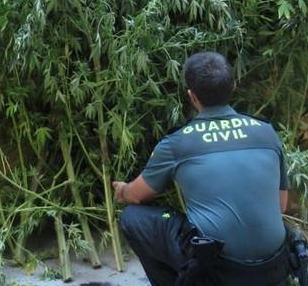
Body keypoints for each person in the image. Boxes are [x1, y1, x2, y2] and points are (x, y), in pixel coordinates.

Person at [112, 51, 291, 286]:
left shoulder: (177, 142)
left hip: (217, 270)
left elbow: (136, 195)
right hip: (273, 267)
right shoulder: (266, 132)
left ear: (191, 96)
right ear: (233, 86)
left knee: (133, 217)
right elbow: (281, 205)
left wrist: (122, 190)